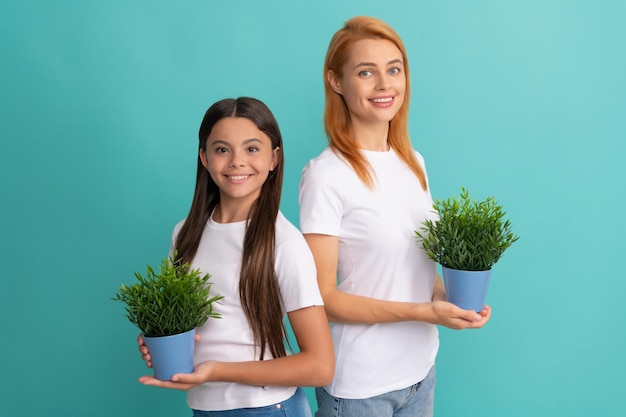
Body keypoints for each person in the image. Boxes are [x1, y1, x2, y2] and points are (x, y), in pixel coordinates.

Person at [298, 16, 491, 417]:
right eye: (366, 72)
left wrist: (449, 302)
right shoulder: (326, 175)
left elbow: (414, 266)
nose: (385, 85)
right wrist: (422, 312)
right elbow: (324, 299)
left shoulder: (413, 162)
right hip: (360, 388)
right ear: (336, 81)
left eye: (394, 69)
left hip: (420, 373)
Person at [137, 97, 334, 417]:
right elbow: (191, 328)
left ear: (274, 158)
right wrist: (159, 341)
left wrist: (217, 371)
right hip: (205, 409)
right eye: (222, 149)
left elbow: (320, 366)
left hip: (268, 409)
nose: (236, 161)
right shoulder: (184, 235)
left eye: (252, 149)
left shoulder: (283, 243)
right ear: (204, 157)